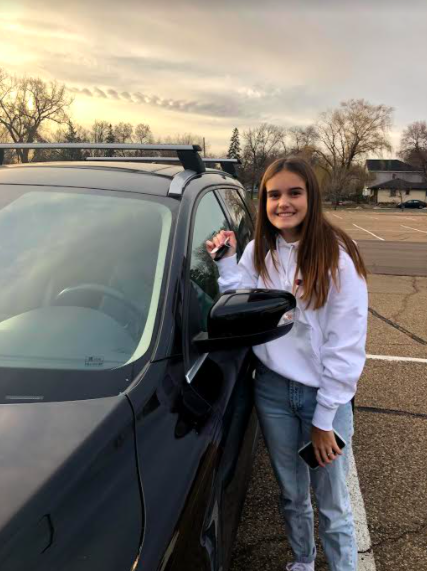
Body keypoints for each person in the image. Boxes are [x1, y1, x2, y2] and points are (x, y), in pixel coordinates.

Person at [206, 157, 368, 571]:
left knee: (332, 504)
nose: (283, 203)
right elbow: (241, 302)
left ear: (311, 197)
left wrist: (326, 417)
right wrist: (226, 260)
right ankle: (303, 561)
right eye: (273, 194)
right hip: (273, 390)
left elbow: (345, 346)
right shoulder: (259, 251)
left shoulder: (337, 259)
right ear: (263, 201)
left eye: (294, 192)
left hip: (321, 400)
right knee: (292, 494)